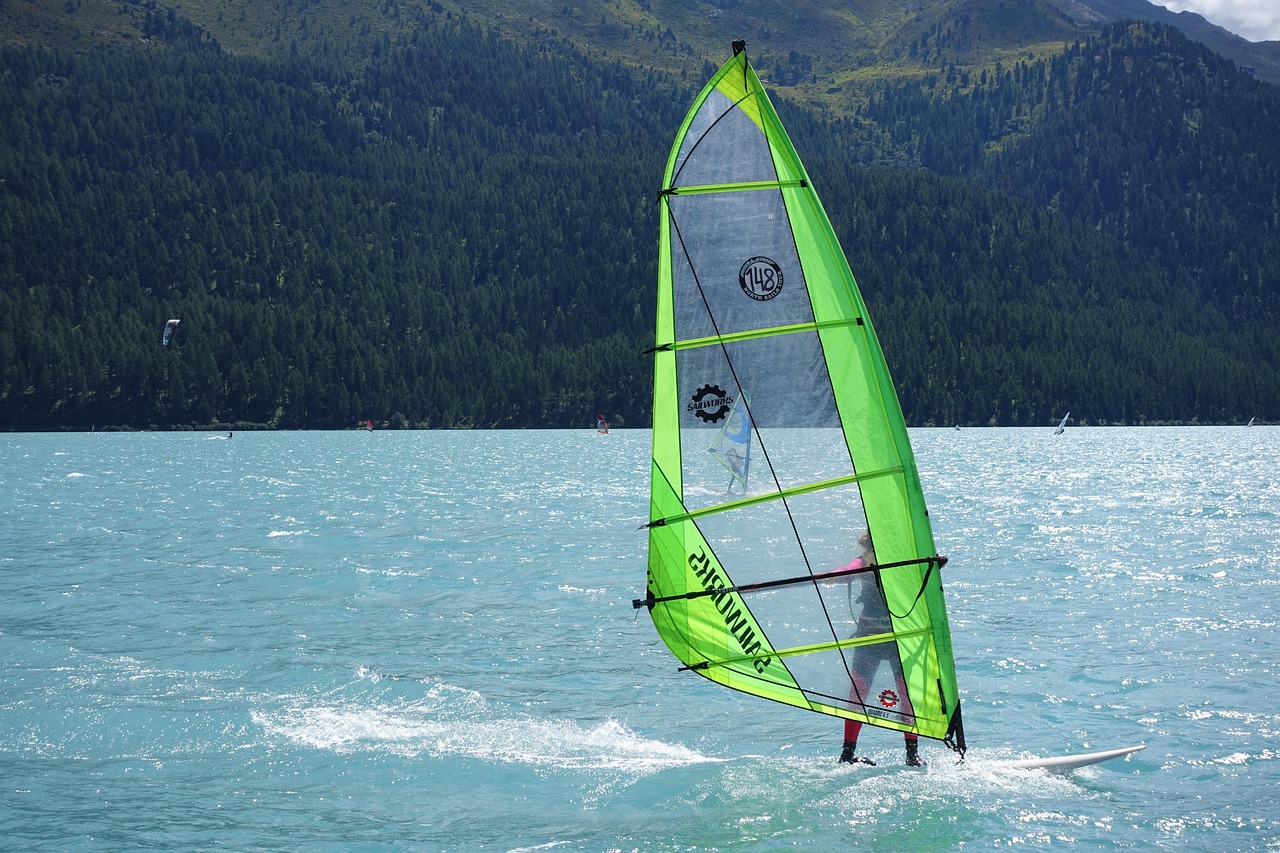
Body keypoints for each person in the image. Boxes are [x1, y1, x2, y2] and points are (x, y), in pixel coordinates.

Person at [836, 530, 924, 767]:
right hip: (870, 638)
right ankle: (847, 754)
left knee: (906, 693)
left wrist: (934, 565)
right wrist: (836, 575)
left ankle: (912, 753)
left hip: (899, 638)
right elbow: (848, 569)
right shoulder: (866, 560)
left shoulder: (907, 558)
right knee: (858, 694)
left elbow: (922, 572)